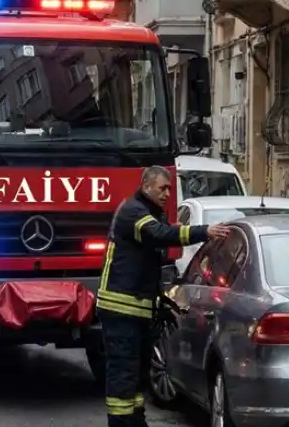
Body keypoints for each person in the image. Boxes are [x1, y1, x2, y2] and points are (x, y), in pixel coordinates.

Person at [98, 165, 230, 427]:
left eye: (170, 188)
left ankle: (135, 421)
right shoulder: (133, 211)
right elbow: (160, 234)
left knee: (136, 376)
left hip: (135, 310)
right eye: (162, 188)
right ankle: (121, 423)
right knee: (123, 376)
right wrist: (204, 231)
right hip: (121, 310)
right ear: (146, 186)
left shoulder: (146, 212)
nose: (168, 193)